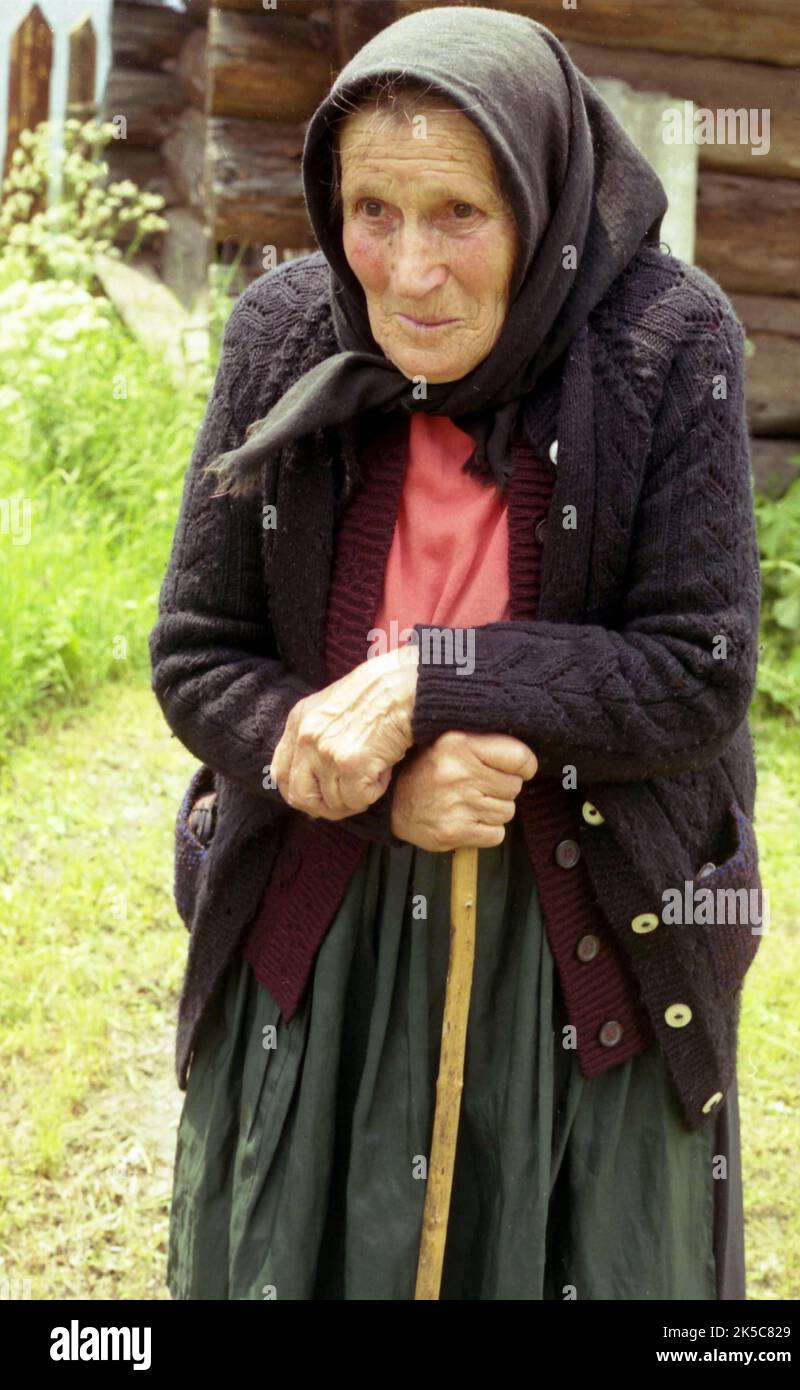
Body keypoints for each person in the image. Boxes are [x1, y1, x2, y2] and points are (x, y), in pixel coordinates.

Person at [149, 4, 763, 1301]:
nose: (408, 271)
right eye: (372, 211)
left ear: (538, 203)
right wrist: (368, 786)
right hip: (324, 918)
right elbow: (201, 655)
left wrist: (429, 673)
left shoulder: (665, 341)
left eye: (459, 216)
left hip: (578, 933)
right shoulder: (284, 334)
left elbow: (693, 667)